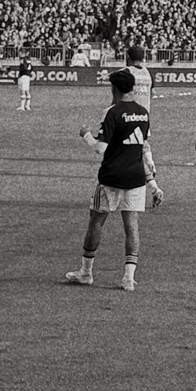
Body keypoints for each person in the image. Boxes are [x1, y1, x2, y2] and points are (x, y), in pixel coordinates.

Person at [67, 68, 162, 292]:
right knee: (131, 227)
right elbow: (140, 148)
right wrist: (152, 184)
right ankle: (128, 278)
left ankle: (86, 273)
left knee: (96, 222)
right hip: (136, 177)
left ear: (115, 88)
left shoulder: (112, 112)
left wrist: (86, 134)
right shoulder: (143, 113)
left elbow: (100, 148)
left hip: (111, 176)